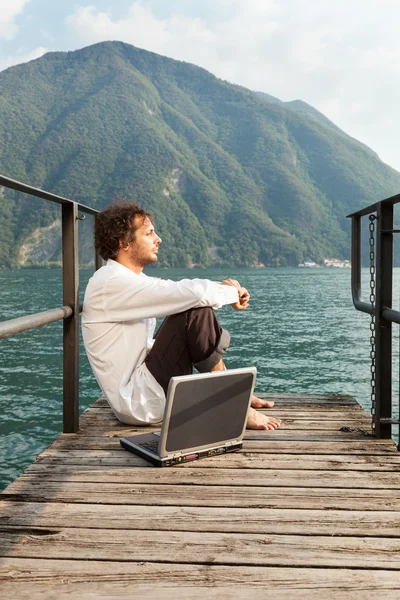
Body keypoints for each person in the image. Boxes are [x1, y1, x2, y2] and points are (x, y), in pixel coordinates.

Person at [82, 201, 281, 431]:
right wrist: (229, 292)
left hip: (142, 389)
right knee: (194, 312)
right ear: (124, 243)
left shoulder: (126, 280)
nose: (159, 239)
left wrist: (225, 288)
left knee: (192, 306)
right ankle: (234, 403)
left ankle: (235, 394)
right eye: (149, 233)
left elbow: (176, 291)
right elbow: (190, 294)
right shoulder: (111, 283)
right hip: (138, 401)